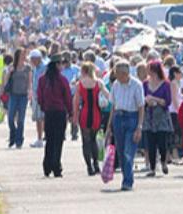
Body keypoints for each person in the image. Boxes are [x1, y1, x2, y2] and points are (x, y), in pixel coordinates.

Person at [106, 60, 145, 191]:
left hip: (132, 117)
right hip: (118, 117)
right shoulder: (116, 85)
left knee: (129, 151)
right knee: (121, 151)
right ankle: (126, 177)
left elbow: (141, 107)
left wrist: (139, 127)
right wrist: (109, 126)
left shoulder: (136, 85)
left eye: (118, 74)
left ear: (125, 74)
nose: (116, 77)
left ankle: (128, 181)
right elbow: (113, 106)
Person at [37, 56, 72, 177]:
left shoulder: (42, 79)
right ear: (57, 65)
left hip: (49, 112)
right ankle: (56, 166)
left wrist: (44, 107)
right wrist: (70, 112)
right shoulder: (62, 80)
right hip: (60, 112)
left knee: (50, 140)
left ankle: (47, 166)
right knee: (58, 140)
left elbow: (39, 96)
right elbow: (67, 96)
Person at [73, 62, 110, 176]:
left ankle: (89, 166)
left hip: (84, 112)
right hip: (96, 113)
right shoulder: (98, 83)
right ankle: (96, 164)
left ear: (83, 71)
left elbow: (76, 101)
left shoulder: (80, 84)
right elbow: (108, 96)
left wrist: (75, 115)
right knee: (94, 140)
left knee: (86, 141)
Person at [143, 60, 173, 176]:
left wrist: (155, 99)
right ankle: (152, 167)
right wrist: (147, 101)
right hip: (149, 115)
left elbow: (168, 101)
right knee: (150, 142)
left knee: (162, 141)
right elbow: (142, 98)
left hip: (161, 115)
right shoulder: (145, 84)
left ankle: (163, 162)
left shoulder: (165, 84)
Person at [3, 48, 31, 149]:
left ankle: (19, 140)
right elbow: (6, 81)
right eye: (22, 54)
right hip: (13, 95)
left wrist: (30, 91)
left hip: (23, 95)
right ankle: (12, 136)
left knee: (21, 119)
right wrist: (9, 73)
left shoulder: (27, 67)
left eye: (25, 54)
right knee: (10, 117)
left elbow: (29, 81)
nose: (24, 56)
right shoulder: (12, 67)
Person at [29, 49, 47, 147]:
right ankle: (39, 138)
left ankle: (42, 138)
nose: (31, 62)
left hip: (43, 96)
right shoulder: (35, 68)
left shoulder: (45, 67)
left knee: (42, 118)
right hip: (36, 95)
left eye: (32, 59)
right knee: (38, 118)